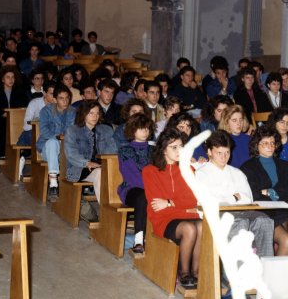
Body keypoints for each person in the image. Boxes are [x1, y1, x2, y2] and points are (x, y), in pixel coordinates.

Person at [195, 130, 275, 257]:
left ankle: (266, 267)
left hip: (241, 211)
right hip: (216, 214)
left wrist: (228, 198)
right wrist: (234, 197)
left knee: (264, 220)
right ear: (209, 152)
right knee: (239, 222)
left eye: (227, 152)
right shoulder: (202, 173)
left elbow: (247, 198)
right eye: (219, 153)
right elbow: (211, 200)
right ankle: (235, 273)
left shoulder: (237, 172)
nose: (224, 157)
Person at [143, 128, 201, 289]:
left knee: (202, 226)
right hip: (164, 219)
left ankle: (197, 272)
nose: (179, 151)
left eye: (181, 146)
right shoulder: (150, 171)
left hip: (184, 214)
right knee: (189, 229)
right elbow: (157, 206)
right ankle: (184, 272)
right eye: (173, 147)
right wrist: (186, 208)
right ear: (163, 149)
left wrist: (170, 202)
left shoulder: (188, 169)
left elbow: (194, 198)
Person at [240, 125, 288, 255]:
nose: (270, 146)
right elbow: (253, 194)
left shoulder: (284, 165)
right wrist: (271, 193)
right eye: (265, 143)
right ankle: (272, 275)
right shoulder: (248, 167)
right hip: (264, 213)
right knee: (286, 240)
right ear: (256, 145)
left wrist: (270, 192)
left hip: (284, 210)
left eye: (273, 143)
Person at [64, 100, 117, 203]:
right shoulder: (73, 130)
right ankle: (106, 208)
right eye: (91, 113)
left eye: (97, 113)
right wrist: (87, 163)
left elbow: (113, 152)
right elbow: (71, 154)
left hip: (102, 166)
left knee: (112, 172)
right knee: (100, 173)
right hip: (80, 168)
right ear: (83, 114)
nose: (95, 116)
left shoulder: (106, 130)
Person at [117, 113, 156, 254]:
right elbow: (131, 175)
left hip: (152, 189)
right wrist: (151, 189)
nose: (145, 131)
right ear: (133, 130)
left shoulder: (154, 150)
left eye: (147, 128)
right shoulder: (125, 150)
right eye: (141, 128)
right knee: (142, 196)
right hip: (131, 189)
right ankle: (139, 239)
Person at [37, 83, 76, 199]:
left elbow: (74, 131)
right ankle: (53, 183)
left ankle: (68, 184)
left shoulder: (73, 111)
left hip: (66, 148)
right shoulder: (45, 111)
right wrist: (59, 137)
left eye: (67, 98)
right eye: (61, 98)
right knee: (52, 142)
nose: (65, 101)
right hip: (47, 149)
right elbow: (44, 132)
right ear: (54, 99)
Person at [0, 67, 28, 159]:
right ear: (2, 79)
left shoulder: (20, 91)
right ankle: (1, 155)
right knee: (0, 126)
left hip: (16, 118)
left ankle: (20, 154)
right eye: (8, 77)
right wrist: (5, 114)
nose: (11, 80)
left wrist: (13, 115)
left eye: (13, 77)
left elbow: (23, 107)